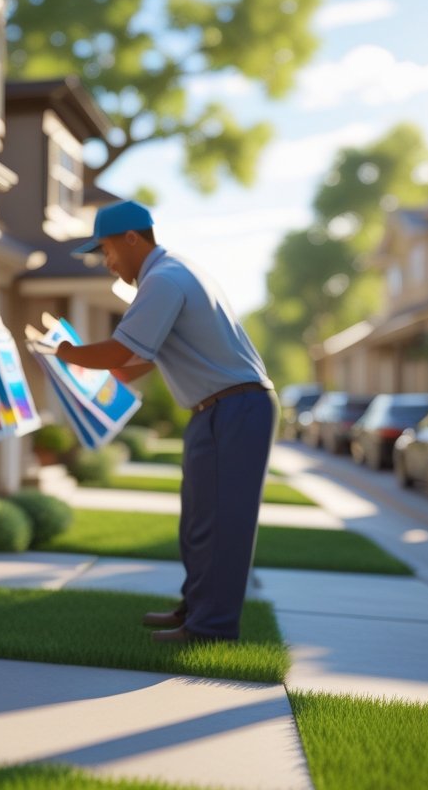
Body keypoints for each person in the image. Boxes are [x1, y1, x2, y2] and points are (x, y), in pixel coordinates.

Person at [56, 199, 276, 643]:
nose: (107, 262)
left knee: (221, 525)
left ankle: (211, 627)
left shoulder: (163, 279)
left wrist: (61, 351)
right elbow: (131, 363)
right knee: (198, 521)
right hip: (218, 409)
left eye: (107, 250)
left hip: (235, 409)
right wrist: (91, 362)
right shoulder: (170, 274)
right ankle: (197, 610)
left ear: (133, 238)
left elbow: (119, 353)